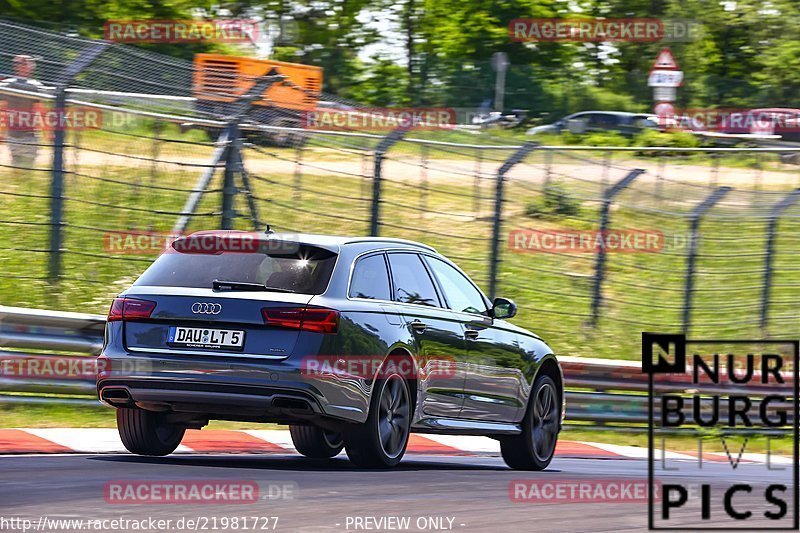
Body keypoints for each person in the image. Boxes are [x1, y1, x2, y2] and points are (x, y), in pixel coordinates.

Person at [0, 55, 46, 169]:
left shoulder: (36, 86)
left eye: (24, 63)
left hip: (29, 135)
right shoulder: (8, 85)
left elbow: (40, 111)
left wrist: (48, 133)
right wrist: (1, 133)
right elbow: (2, 109)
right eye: (18, 63)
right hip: (13, 135)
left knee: (28, 168)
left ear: (31, 66)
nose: (21, 66)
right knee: (16, 168)